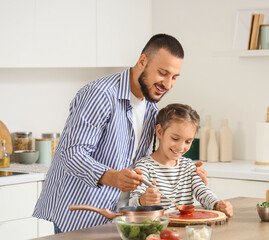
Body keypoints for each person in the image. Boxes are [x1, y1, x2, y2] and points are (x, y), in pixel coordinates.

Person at [32, 34, 207, 233]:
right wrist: (113, 178)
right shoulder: (101, 95)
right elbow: (71, 154)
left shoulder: (151, 108)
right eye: (162, 73)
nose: (167, 84)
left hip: (121, 216)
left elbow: (145, 163)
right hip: (80, 213)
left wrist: (184, 170)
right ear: (142, 61)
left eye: (174, 77)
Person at [129, 103, 233, 217]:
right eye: (175, 138)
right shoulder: (144, 166)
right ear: (159, 131)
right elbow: (132, 204)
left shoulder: (188, 166)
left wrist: (218, 204)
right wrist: (142, 200)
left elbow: (203, 193)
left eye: (188, 141)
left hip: (185, 228)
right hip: (157, 228)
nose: (180, 147)